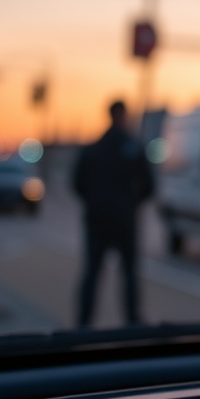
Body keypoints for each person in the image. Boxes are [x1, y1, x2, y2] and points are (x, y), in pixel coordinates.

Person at [72, 100, 155, 327]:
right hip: (124, 219)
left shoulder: (94, 148)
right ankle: (132, 322)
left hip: (97, 219)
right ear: (123, 115)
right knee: (129, 273)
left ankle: (83, 324)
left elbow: (77, 183)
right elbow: (149, 185)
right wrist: (131, 203)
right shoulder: (132, 147)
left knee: (92, 272)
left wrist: (94, 202)